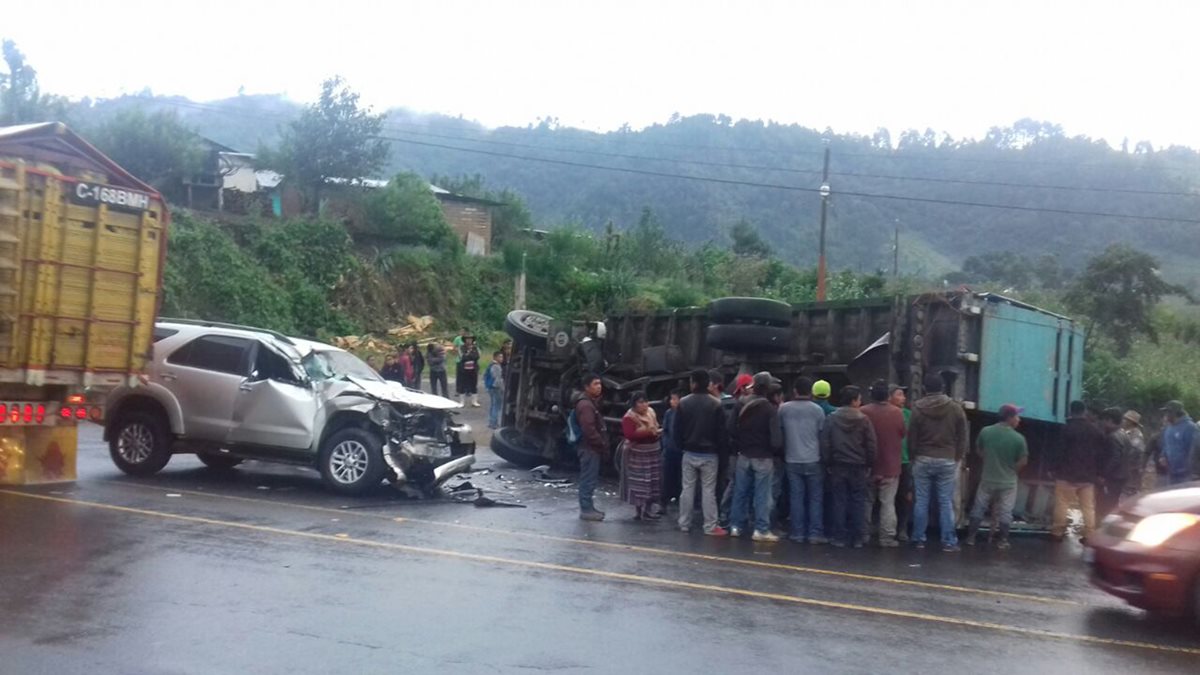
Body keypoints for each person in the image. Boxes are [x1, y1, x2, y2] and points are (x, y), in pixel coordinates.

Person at [909, 373, 968, 552]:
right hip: (947, 458)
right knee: (945, 501)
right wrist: (956, 456)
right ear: (943, 387)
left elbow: (911, 437)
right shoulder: (956, 408)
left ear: (925, 389)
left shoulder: (917, 409)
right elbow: (963, 436)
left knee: (922, 501)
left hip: (923, 458)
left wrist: (914, 456)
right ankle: (948, 541)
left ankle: (918, 538)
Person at [729, 372, 784, 541]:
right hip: (763, 456)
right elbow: (776, 439)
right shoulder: (769, 409)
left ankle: (736, 526)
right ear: (767, 388)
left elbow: (731, 429)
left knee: (740, 492)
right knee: (762, 495)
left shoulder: (740, 404)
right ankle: (760, 529)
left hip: (744, 454)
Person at [821, 385, 877, 548]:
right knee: (858, 501)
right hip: (858, 465)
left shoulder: (832, 418)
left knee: (839, 500)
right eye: (859, 399)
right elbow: (871, 444)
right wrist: (869, 463)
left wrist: (828, 462)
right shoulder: (864, 420)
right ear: (854, 401)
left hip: (838, 464)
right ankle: (858, 537)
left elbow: (826, 442)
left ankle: (839, 536)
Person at [673, 369, 728, 536]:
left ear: (694, 383)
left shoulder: (683, 402)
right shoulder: (716, 404)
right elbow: (721, 434)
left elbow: (677, 430)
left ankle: (684, 523)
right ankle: (710, 526)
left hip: (689, 452)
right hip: (710, 454)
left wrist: (681, 446)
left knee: (687, 489)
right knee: (708, 490)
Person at [965, 404, 1028, 549]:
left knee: (979, 508)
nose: (1019, 419)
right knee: (1006, 512)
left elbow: (979, 450)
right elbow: (1023, 461)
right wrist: (1012, 470)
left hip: (987, 479)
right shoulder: (1019, 438)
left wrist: (989, 462)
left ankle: (971, 538)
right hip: (1008, 482)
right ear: (1010, 418)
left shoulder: (985, 432)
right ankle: (1003, 541)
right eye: (1017, 416)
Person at [1050, 400, 1107, 543]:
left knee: (1062, 504)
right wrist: (1099, 473)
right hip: (1088, 477)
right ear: (1084, 411)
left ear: (1070, 411)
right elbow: (1102, 455)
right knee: (1088, 507)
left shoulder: (1065, 429)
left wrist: (1052, 468)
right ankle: (1089, 535)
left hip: (1066, 474)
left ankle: (1057, 532)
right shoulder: (1096, 431)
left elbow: (1059, 452)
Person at [780, 376, 827, 544]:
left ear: (795, 391)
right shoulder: (817, 411)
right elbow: (822, 435)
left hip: (792, 459)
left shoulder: (784, 409)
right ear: (811, 392)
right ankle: (815, 533)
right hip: (813, 458)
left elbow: (781, 432)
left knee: (796, 497)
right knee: (815, 497)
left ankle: (797, 532)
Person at [860, 380, 907, 547]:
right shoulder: (897, 413)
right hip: (891, 466)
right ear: (887, 396)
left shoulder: (863, 412)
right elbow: (902, 433)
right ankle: (886, 537)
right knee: (888, 503)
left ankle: (864, 534)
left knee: (867, 501)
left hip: (869, 466)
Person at [620, 392, 664, 521]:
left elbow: (655, 427)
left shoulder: (651, 412)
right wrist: (649, 432)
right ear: (634, 404)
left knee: (653, 481)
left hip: (653, 452)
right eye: (641, 402)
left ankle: (648, 510)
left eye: (646, 401)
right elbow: (630, 435)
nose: (644, 405)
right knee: (639, 482)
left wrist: (655, 432)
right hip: (638, 454)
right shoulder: (629, 417)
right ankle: (638, 511)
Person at [575, 373, 608, 521]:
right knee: (588, 478)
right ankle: (586, 510)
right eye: (595, 384)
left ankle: (589, 507)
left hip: (590, 447)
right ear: (586, 387)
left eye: (600, 384)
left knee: (590, 478)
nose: (599, 387)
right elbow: (589, 429)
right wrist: (600, 443)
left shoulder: (590, 402)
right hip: (589, 448)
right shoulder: (586, 405)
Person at [1097, 407, 1133, 518]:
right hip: (1121, 475)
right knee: (1113, 503)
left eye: (1103, 420)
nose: (1101, 423)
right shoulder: (1124, 434)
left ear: (1109, 420)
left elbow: (1114, 458)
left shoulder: (1112, 437)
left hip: (1113, 477)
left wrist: (1103, 475)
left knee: (1105, 505)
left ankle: (1104, 527)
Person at [890, 385, 914, 542]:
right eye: (899, 394)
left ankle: (902, 528)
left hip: (905, 460)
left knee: (904, 496)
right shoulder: (888, 414)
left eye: (904, 395)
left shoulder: (909, 415)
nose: (903, 398)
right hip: (890, 460)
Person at [1159, 400, 1198, 486]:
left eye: (1168, 412)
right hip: (1171, 473)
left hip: (1186, 475)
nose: (1165, 415)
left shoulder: (1190, 427)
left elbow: (1192, 450)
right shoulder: (1169, 428)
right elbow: (1166, 445)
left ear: (1175, 413)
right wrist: (1163, 455)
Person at [660, 389, 685, 512]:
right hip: (670, 449)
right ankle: (663, 502)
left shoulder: (685, 413)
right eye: (671, 399)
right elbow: (665, 430)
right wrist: (665, 445)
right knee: (667, 477)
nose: (672, 401)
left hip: (681, 450)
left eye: (675, 399)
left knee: (681, 478)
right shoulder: (669, 413)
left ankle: (680, 502)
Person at [1121, 411, 1146, 492]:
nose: (1123, 421)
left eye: (1125, 419)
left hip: (1132, 468)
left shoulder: (1136, 434)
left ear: (1130, 422)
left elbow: (1135, 449)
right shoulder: (1123, 432)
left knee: (1130, 491)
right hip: (1124, 468)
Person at [456, 336, 481, 407]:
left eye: (470, 339)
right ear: (465, 340)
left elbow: (477, 356)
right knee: (462, 385)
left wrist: (468, 355)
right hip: (464, 369)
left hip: (473, 369)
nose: (469, 340)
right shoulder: (461, 347)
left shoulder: (476, 347)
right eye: (467, 339)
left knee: (474, 384)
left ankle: (474, 401)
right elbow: (462, 357)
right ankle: (461, 402)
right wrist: (469, 354)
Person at [485, 351, 505, 429]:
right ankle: (494, 423)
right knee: (496, 406)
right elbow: (498, 379)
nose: (502, 359)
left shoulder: (490, 365)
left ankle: (491, 422)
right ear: (495, 357)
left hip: (490, 387)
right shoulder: (496, 366)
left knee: (493, 405)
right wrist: (502, 388)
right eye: (500, 357)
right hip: (495, 388)